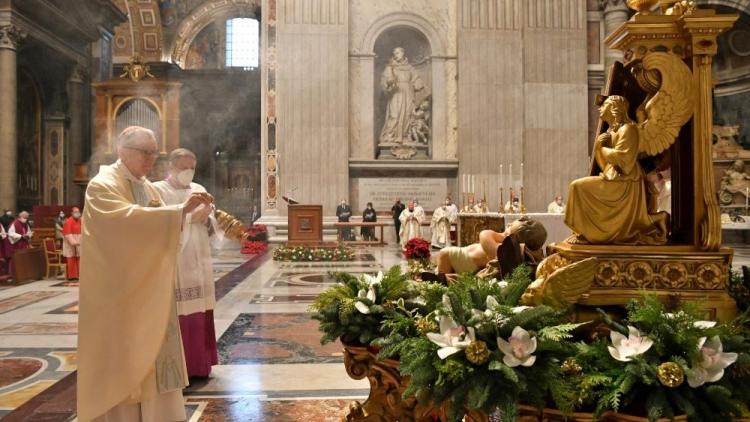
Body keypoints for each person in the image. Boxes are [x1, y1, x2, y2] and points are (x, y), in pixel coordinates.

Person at [77, 126, 213, 422]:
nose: (152, 160)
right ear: (123, 150)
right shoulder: (103, 185)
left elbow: (166, 231)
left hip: (149, 292)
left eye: (154, 153)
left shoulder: (148, 187)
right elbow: (121, 224)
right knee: (124, 363)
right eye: (146, 153)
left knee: (156, 363)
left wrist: (185, 216)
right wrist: (177, 213)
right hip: (118, 296)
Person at [566, 96, 668, 245]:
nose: (600, 108)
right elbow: (605, 166)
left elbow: (623, 160)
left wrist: (603, 147)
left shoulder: (629, 129)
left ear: (614, 108)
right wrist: (598, 148)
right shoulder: (613, 130)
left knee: (577, 187)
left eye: (605, 105)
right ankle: (587, 232)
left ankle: (657, 218)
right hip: (614, 178)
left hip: (625, 183)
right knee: (578, 187)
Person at [154, 148, 219, 379]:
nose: (189, 173)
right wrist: (189, 216)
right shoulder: (158, 190)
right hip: (177, 259)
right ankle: (182, 368)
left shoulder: (198, 189)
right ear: (170, 167)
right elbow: (158, 224)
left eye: (192, 168)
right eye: (184, 168)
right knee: (181, 310)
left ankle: (201, 366)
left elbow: (212, 224)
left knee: (199, 308)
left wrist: (209, 217)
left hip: (199, 257)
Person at [435, 217, 547, 275]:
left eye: (510, 226)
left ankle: (442, 280)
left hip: (466, 262)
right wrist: (504, 236)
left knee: (444, 253)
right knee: (444, 255)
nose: (508, 225)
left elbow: (486, 237)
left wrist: (503, 236)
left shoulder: (501, 248)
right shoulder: (496, 242)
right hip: (459, 257)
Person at [379, 47, 426, 144]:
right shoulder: (390, 68)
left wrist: (418, 83)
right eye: (394, 53)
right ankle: (390, 136)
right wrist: (388, 83)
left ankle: (405, 136)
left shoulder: (410, 68)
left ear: (403, 53)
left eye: (398, 53)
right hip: (396, 93)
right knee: (395, 115)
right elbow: (384, 83)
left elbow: (416, 79)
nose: (396, 55)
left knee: (407, 115)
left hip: (409, 93)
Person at [62, 207, 82, 280]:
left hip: (79, 242)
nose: (77, 213)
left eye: (78, 212)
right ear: (72, 213)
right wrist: (74, 242)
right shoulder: (68, 221)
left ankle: (79, 275)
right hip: (70, 244)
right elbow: (68, 234)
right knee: (71, 258)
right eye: (75, 212)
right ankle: (72, 276)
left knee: (79, 258)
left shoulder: (80, 220)